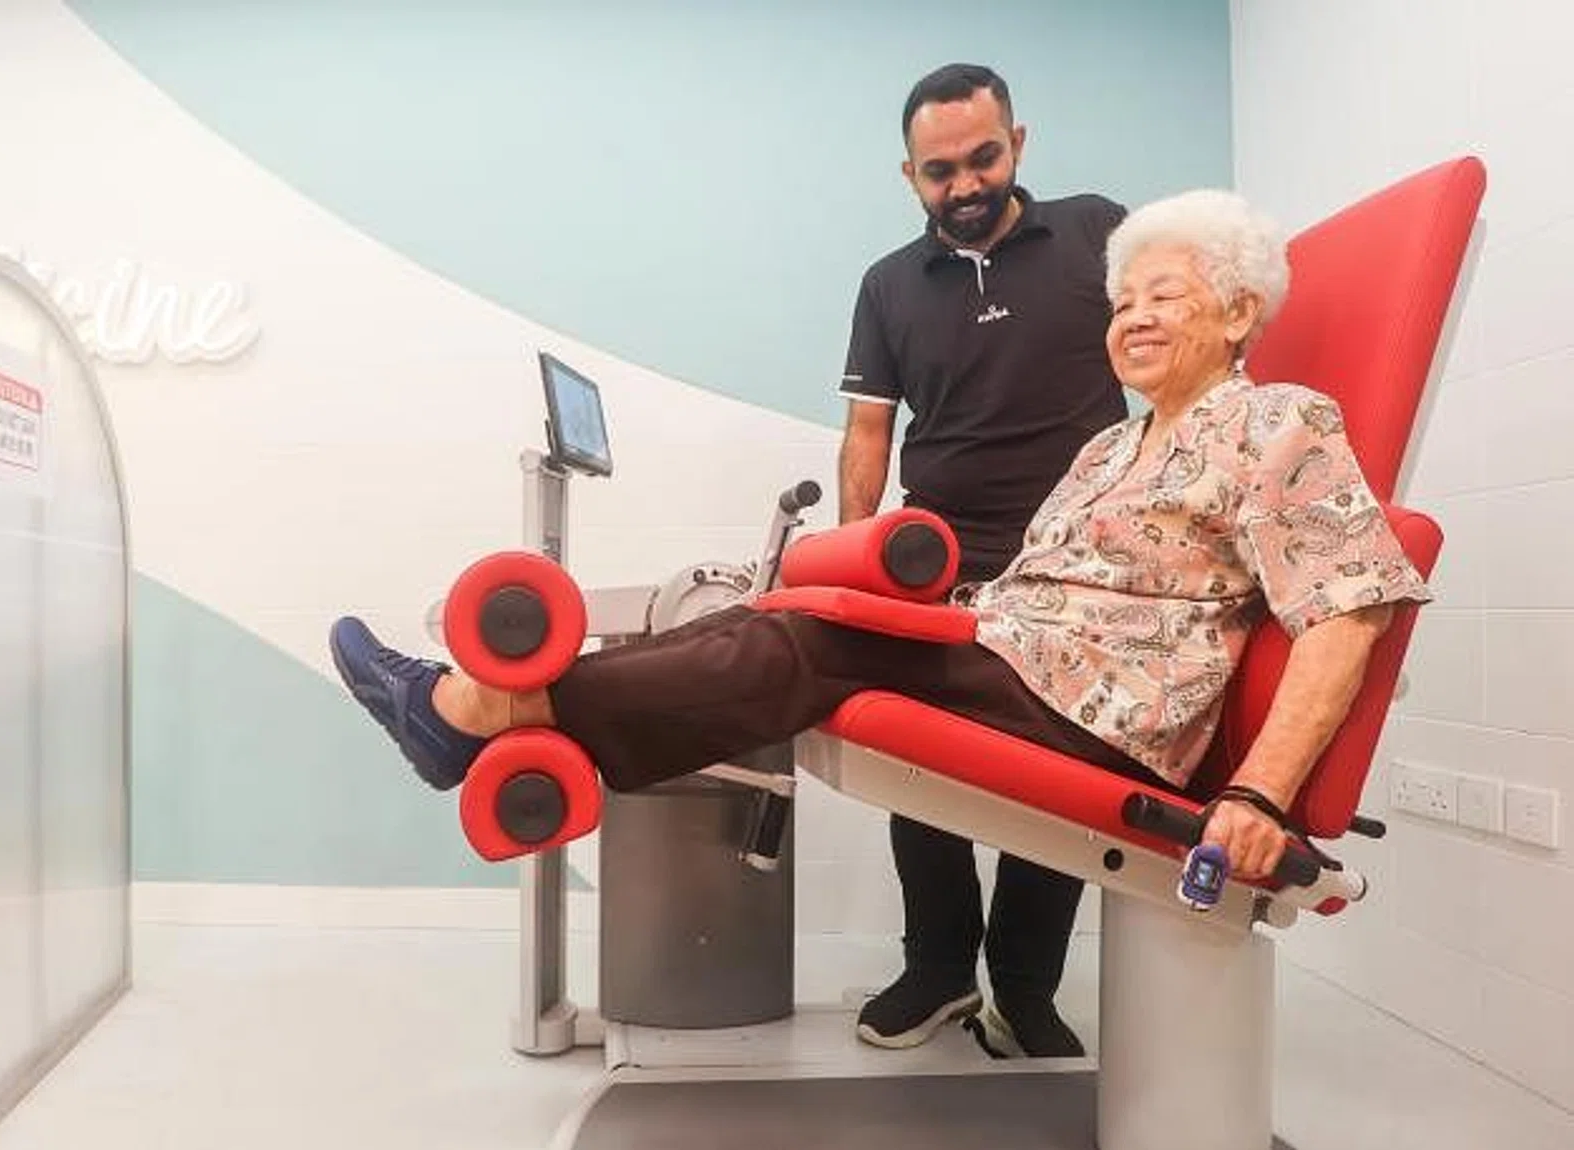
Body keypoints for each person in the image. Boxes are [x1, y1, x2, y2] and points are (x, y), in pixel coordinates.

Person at [328, 188, 1431, 1061]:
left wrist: (1255, 795)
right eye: (1124, 300)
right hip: (1019, 656)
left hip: (1104, 711)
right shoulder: (1113, 447)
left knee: (810, 645)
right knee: (787, 612)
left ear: (1240, 313)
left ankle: (479, 706)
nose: (1134, 318)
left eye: (1168, 297)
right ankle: (507, 705)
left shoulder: (1279, 423)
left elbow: (1349, 606)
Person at [834, 63, 1130, 1056]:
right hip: (937, 554)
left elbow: (1177, 360)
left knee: (1059, 764)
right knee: (917, 760)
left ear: (1019, 143)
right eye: (938, 170)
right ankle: (938, 971)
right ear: (909, 175)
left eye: (983, 157)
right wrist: (852, 556)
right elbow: (868, 432)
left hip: (1084, 564)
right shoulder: (887, 284)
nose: (964, 185)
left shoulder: (1099, 232)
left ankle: (1024, 986)